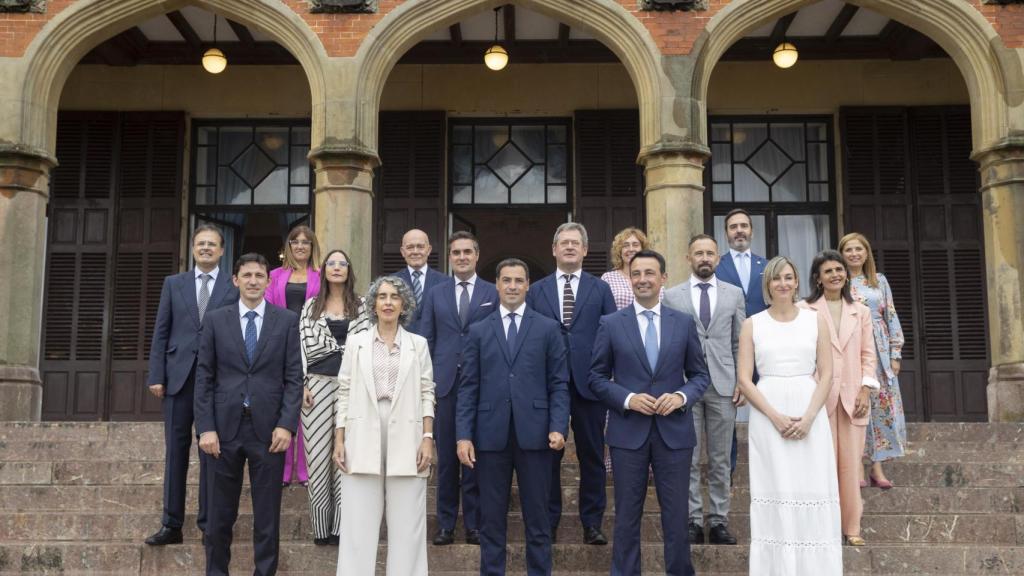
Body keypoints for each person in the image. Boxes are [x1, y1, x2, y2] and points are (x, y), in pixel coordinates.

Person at [590, 249, 711, 576]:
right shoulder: (611, 323)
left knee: (676, 517)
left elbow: (700, 375)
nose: (642, 279)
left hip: (674, 434)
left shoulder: (683, 323)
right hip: (628, 433)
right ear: (630, 280)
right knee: (627, 516)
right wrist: (628, 399)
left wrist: (681, 397)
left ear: (663, 279)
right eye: (636, 274)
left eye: (649, 273)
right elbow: (596, 377)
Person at [457, 258, 570, 576]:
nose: (512, 286)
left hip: (536, 436)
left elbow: (559, 383)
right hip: (489, 437)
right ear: (496, 284)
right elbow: (468, 388)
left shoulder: (547, 328)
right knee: (491, 519)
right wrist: (463, 435)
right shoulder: (479, 330)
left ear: (528, 285)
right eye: (506, 280)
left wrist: (559, 426)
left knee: (538, 519)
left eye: (519, 280)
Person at [195, 253, 304, 576]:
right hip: (222, 432)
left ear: (268, 282)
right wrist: (205, 428)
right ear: (236, 280)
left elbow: (294, 378)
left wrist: (286, 425)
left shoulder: (285, 321)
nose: (254, 281)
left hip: (268, 432)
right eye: (247, 275)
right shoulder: (216, 320)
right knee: (217, 519)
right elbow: (204, 377)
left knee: (267, 518)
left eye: (259, 275)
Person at [737, 256, 842, 575]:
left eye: (788, 277)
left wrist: (810, 416)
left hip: (810, 412)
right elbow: (744, 379)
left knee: (812, 487)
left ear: (797, 282)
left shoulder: (816, 320)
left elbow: (826, 374)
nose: (783, 283)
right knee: (776, 488)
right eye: (776, 278)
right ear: (767, 285)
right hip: (768, 415)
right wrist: (774, 416)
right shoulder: (753, 324)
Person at [333, 276, 435, 576]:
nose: (388, 302)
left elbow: (427, 391)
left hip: (408, 431)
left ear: (404, 304)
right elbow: (344, 390)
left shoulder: (418, 344)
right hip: (362, 429)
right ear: (373, 304)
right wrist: (339, 439)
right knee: (358, 525)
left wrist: (427, 437)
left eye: (394, 297)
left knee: (408, 527)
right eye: (382, 297)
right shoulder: (356, 343)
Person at [144, 225, 239, 547]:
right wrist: (156, 374)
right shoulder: (174, 284)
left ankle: (208, 524)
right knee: (176, 452)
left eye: (213, 244)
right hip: (178, 379)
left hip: (217, 382)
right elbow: (161, 330)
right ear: (193, 248)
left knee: (212, 452)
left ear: (222, 251)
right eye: (202, 244)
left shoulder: (233, 285)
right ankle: (171, 524)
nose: (207, 248)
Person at [526, 222, 615, 545]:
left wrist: (604, 375)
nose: (569, 247)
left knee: (592, 455)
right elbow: (529, 338)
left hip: (589, 385)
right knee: (548, 457)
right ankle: (548, 521)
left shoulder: (600, 289)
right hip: (547, 386)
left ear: (585, 250)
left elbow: (611, 335)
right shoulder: (537, 291)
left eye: (575, 243)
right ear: (553, 249)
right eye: (563, 242)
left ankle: (592, 523)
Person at [663, 235, 745, 546]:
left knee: (721, 458)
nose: (705, 258)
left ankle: (719, 521)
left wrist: (742, 380)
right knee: (690, 457)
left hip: (724, 386)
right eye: (699, 253)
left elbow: (740, 341)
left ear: (718, 258)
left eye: (710, 252)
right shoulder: (671, 296)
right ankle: (693, 520)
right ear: (688, 258)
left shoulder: (734, 294)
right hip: (685, 387)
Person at [420, 231, 498, 546]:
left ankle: (475, 524)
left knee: (476, 457)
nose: (462, 257)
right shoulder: (435, 293)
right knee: (449, 461)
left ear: (477, 255)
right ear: (449, 257)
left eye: (467, 252)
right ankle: (446, 524)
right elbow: (426, 339)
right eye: (456, 252)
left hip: (483, 386)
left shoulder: (493, 292)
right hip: (446, 385)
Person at [801, 250, 879, 547]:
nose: (835, 275)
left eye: (839, 270)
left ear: (846, 275)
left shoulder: (862, 311)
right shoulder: (804, 310)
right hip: (817, 398)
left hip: (852, 398)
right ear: (818, 279)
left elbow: (868, 355)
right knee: (820, 465)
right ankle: (822, 527)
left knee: (850, 466)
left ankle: (852, 527)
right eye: (828, 271)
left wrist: (865, 390)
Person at [298, 249, 369, 546]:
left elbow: (368, 347)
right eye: (331, 263)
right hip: (316, 386)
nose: (337, 267)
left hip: (352, 387)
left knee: (347, 456)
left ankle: (341, 526)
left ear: (349, 270)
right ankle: (320, 528)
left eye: (343, 263)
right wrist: (301, 385)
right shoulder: (310, 307)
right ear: (324, 270)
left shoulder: (363, 306)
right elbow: (301, 349)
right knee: (317, 457)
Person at [839, 232, 907, 489]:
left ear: (866, 253)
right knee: (856, 405)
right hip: (851, 349)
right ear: (842, 253)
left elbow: (890, 315)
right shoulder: (839, 281)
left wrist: (895, 353)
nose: (854, 254)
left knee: (879, 407)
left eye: (859, 249)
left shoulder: (879, 281)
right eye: (849, 249)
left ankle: (876, 466)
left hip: (878, 350)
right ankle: (856, 464)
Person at [267, 225, 322, 488]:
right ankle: (283, 470)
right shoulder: (274, 276)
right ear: (288, 246)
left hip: (312, 347)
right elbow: (266, 309)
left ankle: (305, 471)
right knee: (283, 405)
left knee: (307, 408)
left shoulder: (321, 277)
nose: (300, 246)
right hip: (280, 344)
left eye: (306, 242)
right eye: (295, 241)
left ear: (312, 248)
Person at [715, 208, 768, 476]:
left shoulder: (768, 266)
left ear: (752, 230)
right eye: (733, 226)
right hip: (728, 349)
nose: (739, 230)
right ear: (726, 233)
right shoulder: (716, 266)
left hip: (765, 349)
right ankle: (730, 469)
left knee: (767, 406)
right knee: (727, 414)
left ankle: (767, 464)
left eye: (744, 226)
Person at [393, 228, 448, 335]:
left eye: (420, 247)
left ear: (429, 250)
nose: (415, 251)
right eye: (410, 247)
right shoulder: (391, 282)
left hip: (434, 348)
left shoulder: (446, 283)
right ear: (402, 252)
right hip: (401, 346)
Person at [600, 227, 655, 310]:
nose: (631, 249)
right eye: (626, 245)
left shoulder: (652, 276)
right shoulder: (608, 278)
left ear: (643, 249)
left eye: (635, 245)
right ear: (619, 251)